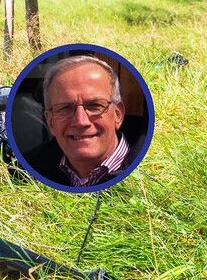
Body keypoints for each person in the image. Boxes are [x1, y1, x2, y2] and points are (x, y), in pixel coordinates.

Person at [24, 55, 138, 188]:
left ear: (117, 114)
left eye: (94, 105)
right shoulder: (25, 175)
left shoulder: (146, 176)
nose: (81, 121)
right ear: (51, 122)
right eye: (65, 108)